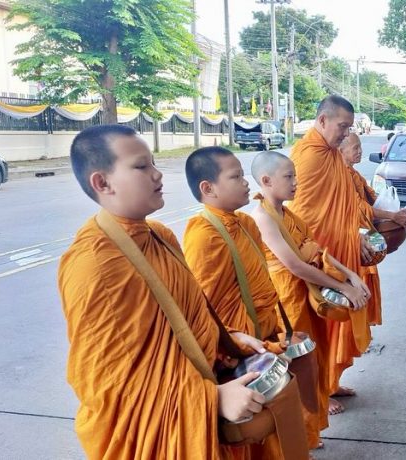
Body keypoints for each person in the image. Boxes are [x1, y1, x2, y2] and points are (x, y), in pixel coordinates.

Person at [58, 125, 268, 459]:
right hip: (166, 423)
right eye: (141, 167)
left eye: (154, 164)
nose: (157, 175)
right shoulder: (94, 264)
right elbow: (111, 384)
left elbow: (183, 315)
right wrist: (210, 399)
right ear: (102, 183)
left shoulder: (159, 235)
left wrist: (225, 338)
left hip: (201, 388)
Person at [182, 146, 319, 457]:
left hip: (265, 335)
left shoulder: (246, 224)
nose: (246, 182)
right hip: (239, 348)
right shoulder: (204, 235)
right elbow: (206, 306)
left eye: (243, 175)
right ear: (208, 188)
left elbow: (262, 285)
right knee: (258, 436)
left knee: (283, 431)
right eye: (236, 177)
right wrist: (230, 346)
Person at [250, 150, 371, 415]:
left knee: (316, 349)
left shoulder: (287, 214)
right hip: (285, 295)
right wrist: (343, 287)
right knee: (298, 358)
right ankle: (307, 418)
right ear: (267, 180)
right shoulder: (263, 217)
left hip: (305, 289)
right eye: (289, 177)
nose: (296, 182)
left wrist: (350, 274)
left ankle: (323, 392)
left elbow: (314, 249)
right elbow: (294, 264)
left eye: (295, 176)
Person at [287, 95, 374, 406]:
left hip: (342, 250)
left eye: (349, 127)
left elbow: (345, 205)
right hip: (319, 260)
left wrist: (356, 235)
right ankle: (318, 394)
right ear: (322, 121)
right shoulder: (308, 156)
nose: (345, 133)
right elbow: (301, 217)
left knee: (337, 326)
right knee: (319, 330)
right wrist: (323, 259)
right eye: (341, 126)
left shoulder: (334, 154)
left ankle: (331, 382)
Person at [340, 133, 406, 325]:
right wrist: (391, 216)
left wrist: (396, 211)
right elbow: (357, 208)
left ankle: (364, 321)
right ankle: (354, 324)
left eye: (360, 147)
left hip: (366, 231)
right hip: (352, 235)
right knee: (358, 276)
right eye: (355, 148)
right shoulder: (340, 176)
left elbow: (371, 198)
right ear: (341, 151)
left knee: (370, 270)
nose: (360, 151)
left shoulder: (354, 174)